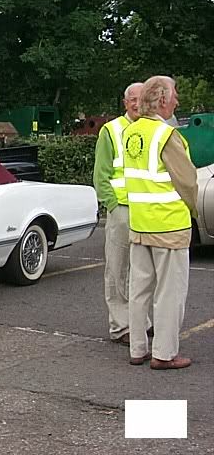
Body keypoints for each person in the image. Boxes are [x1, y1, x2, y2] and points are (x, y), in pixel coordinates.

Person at [123, 76, 198, 370]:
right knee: (169, 293)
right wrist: (193, 210)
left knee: (139, 290)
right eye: (175, 95)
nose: (177, 101)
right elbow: (188, 181)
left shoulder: (132, 132)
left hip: (140, 224)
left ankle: (137, 348)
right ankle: (164, 353)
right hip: (169, 225)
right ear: (163, 100)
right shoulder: (167, 135)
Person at [92, 82, 145, 345]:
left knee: (144, 271)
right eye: (132, 99)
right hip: (122, 209)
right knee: (118, 270)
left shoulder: (151, 129)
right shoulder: (111, 130)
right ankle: (121, 326)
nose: (137, 103)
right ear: (125, 103)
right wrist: (112, 205)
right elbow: (100, 175)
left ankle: (142, 323)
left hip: (147, 210)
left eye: (141, 98)